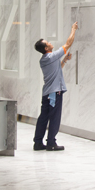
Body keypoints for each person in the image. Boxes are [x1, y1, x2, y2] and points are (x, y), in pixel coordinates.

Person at [33, 22, 78, 151]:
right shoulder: (51, 56)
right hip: (54, 93)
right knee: (54, 118)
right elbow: (68, 44)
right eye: (48, 43)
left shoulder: (45, 59)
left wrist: (64, 61)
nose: (50, 43)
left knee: (43, 117)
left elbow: (56, 71)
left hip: (47, 93)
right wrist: (73, 29)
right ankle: (51, 142)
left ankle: (38, 143)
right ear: (47, 48)